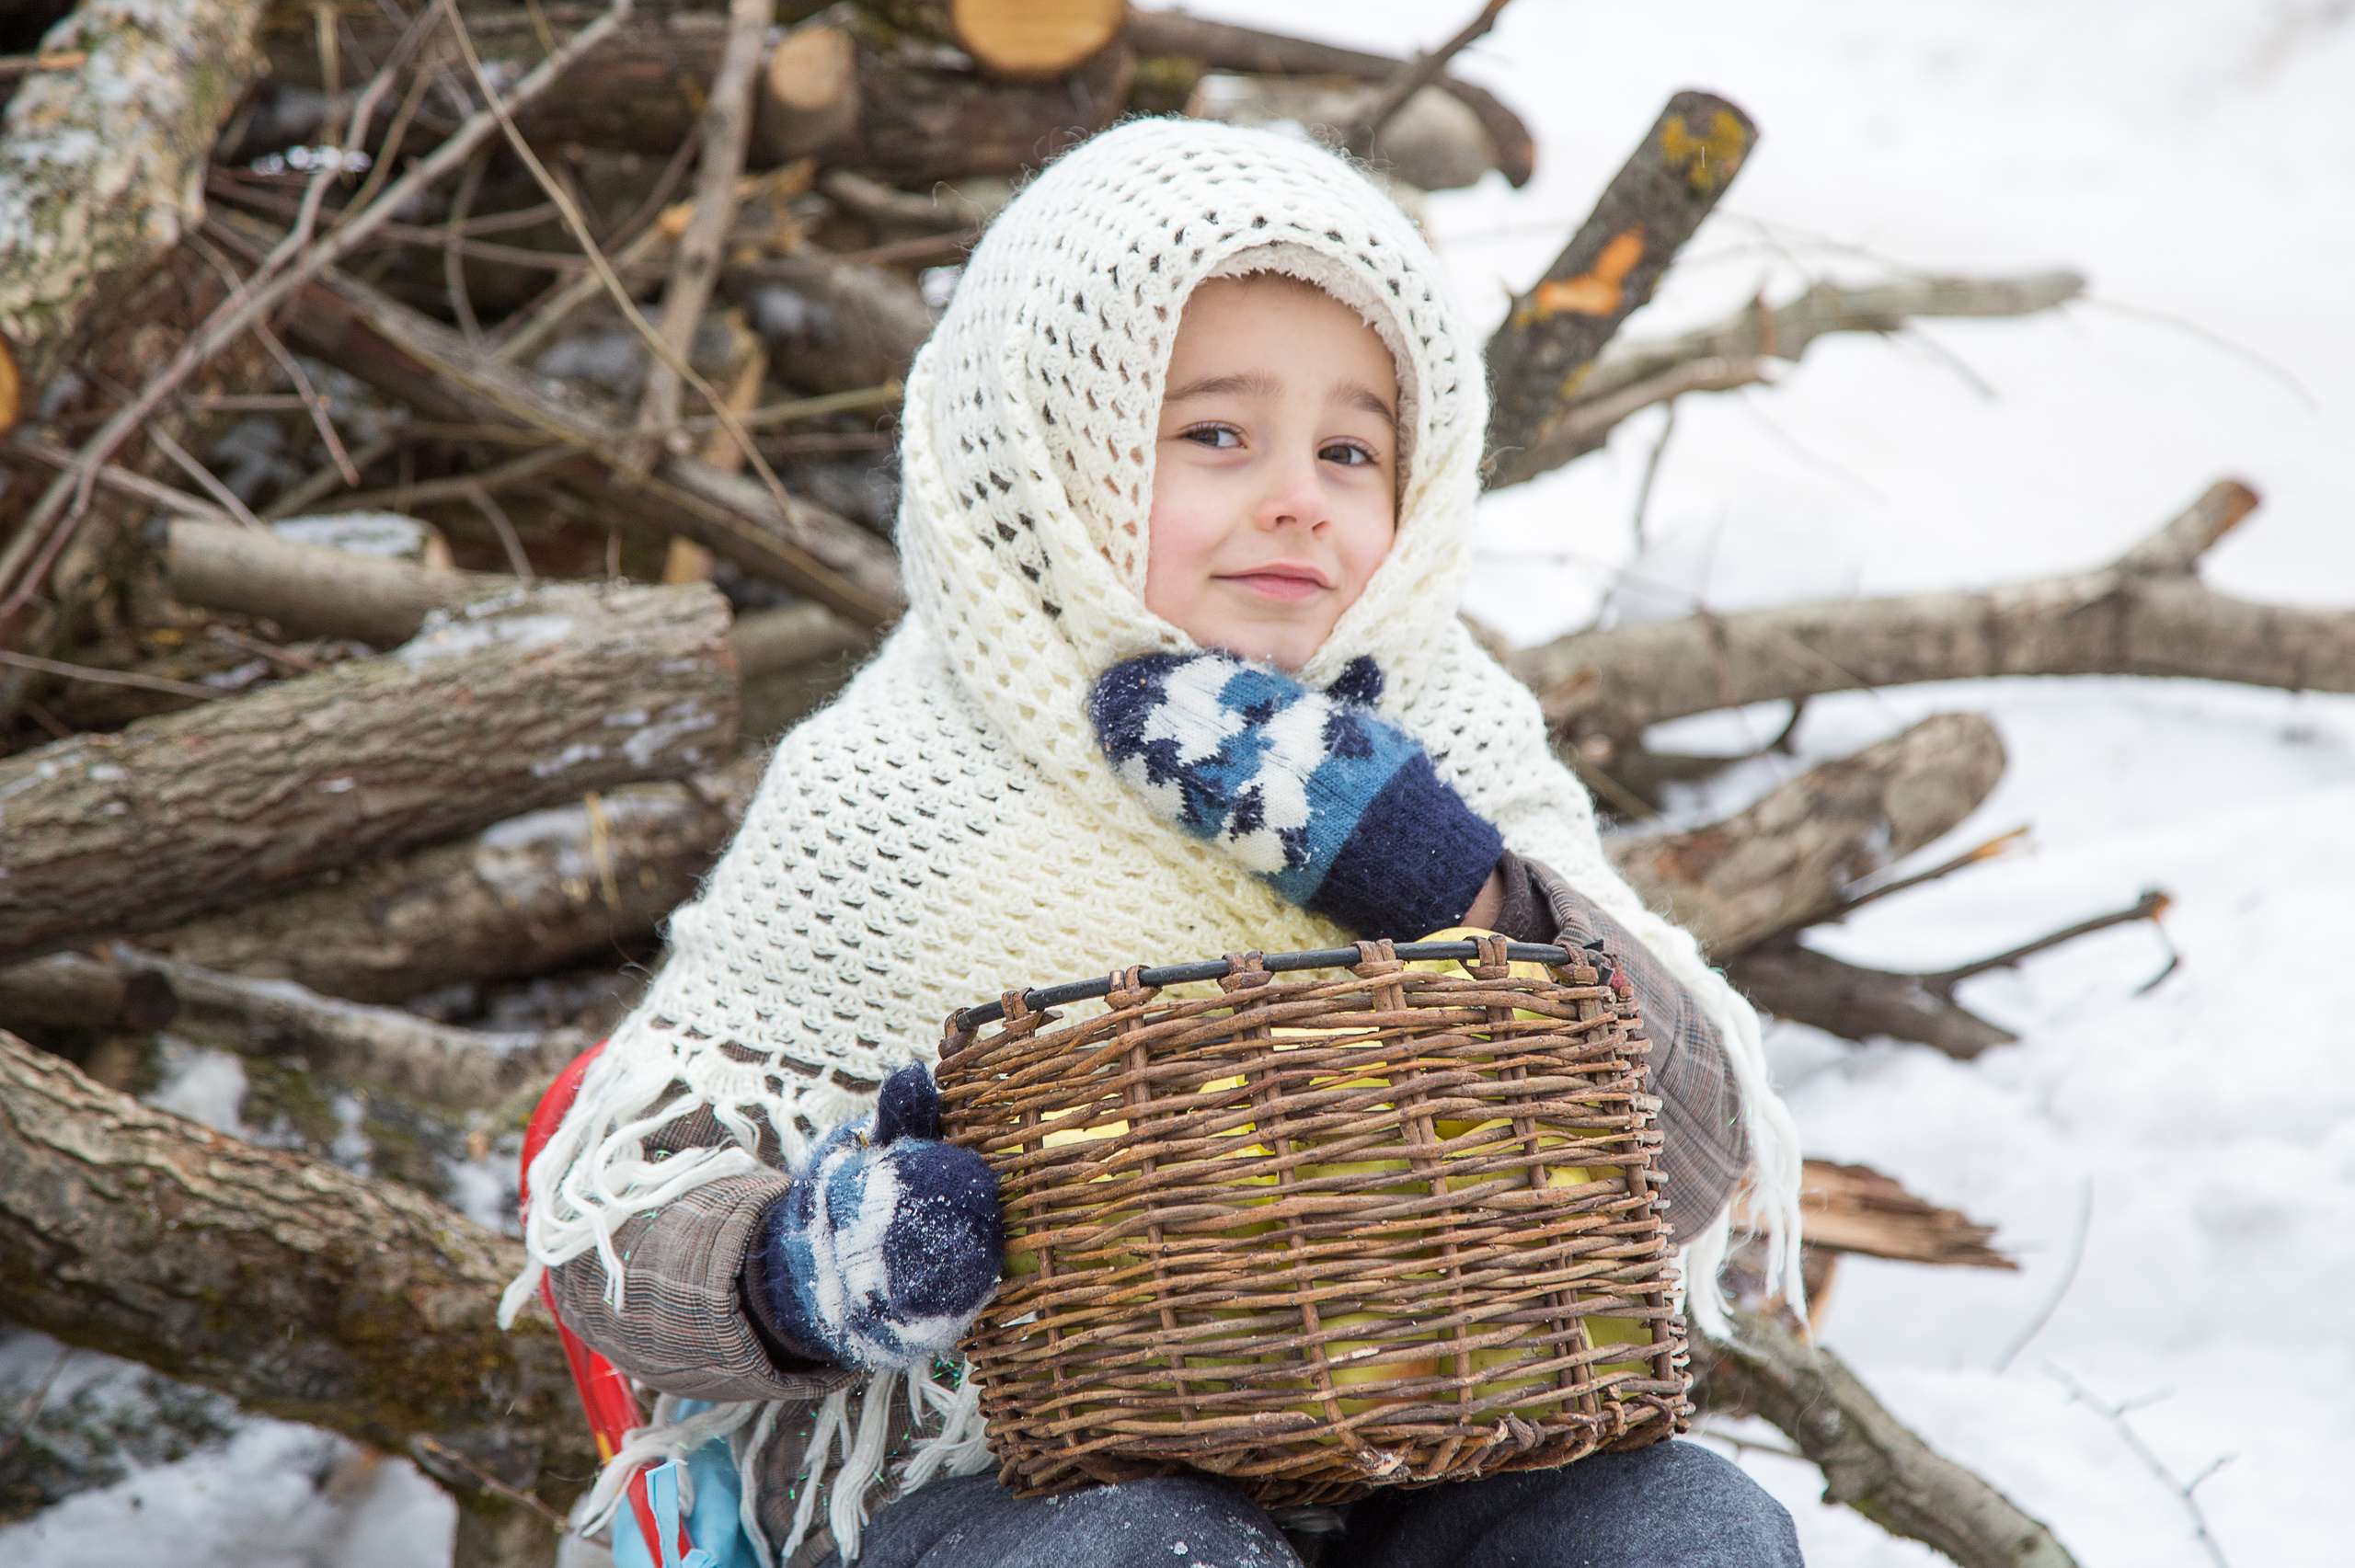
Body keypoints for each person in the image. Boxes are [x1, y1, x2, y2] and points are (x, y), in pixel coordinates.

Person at [503, 119, 1806, 1568]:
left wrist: (1468, 890)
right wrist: (799, 1271)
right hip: (1008, 1494)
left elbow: (1685, 1156)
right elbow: (618, 1234)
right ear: (1052, 453)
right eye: (1216, 435)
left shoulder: (1456, 748)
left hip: (1424, 1463)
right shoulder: (903, 787)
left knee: (1685, 1522)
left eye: (1352, 449)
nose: (1300, 493)